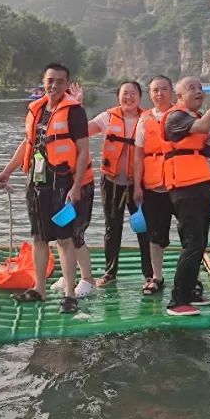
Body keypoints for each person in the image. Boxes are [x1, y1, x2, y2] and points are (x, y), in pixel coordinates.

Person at [0, 63, 96, 314]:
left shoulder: (75, 112)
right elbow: (27, 144)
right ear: (44, 81)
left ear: (67, 84)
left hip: (64, 183)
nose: (54, 85)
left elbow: (83, 152)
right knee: (38, 237)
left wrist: (76, 186)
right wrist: (6, 171)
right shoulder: (36, 110)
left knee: (64, 239)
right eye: (50, 80)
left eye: (60, 81)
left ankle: (70, 294)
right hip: (38, 182)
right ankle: (39, 288)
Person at [160, 76, 210, 317]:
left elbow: (206, 149)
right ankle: (177, 301)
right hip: (184, 187)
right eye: (191, 88)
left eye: (201, 88)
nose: (198, 91)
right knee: (193, 242)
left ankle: (191, 291)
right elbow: (203, 126)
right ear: (180, 96)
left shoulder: (194, 119)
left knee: (199, 242)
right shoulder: (176, 117)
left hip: (200, 184)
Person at [88, 80, 151, 289]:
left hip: (139, 184)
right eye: (125, 93)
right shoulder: (107, 118)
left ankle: (149, 274)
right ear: (118, 96)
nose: (129, 97)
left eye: (133, 93)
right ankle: (110, 273)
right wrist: (76, 105)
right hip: (112, 182)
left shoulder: (148, 120)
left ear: (140, 97)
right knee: (112, 228)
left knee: (144, 228)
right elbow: (82, 131)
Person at [132, 75, 175, 297]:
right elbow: (138, 155)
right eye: (155, 90)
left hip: (180, 184)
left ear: (172, 91)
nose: (160, 93)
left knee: (190, 233)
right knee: (155, 235)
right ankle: (157, 277)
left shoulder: (182, 115)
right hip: (154, 186)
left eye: (164, 89)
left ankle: (192, 279)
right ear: (149, 94)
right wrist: (137, 186)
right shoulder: (144, 120)